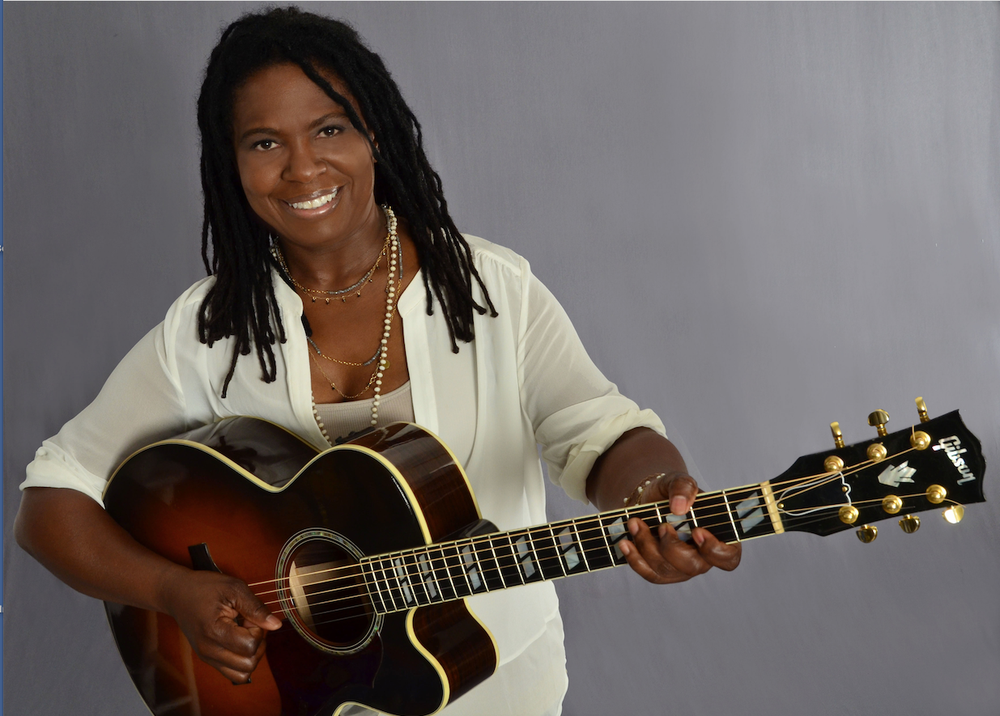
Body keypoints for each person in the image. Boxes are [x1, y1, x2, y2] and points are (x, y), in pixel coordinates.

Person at [14, 7, 740, 716]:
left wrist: (653, 493)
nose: (303, 168)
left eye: (330, 128)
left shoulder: (491, 291)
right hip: (285, 691)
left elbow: (601, 434)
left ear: (377, 135)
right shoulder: (210, 329)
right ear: (229, 162)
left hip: (495, 691)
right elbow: (49, 503)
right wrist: (174, 592)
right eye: (264, 142)